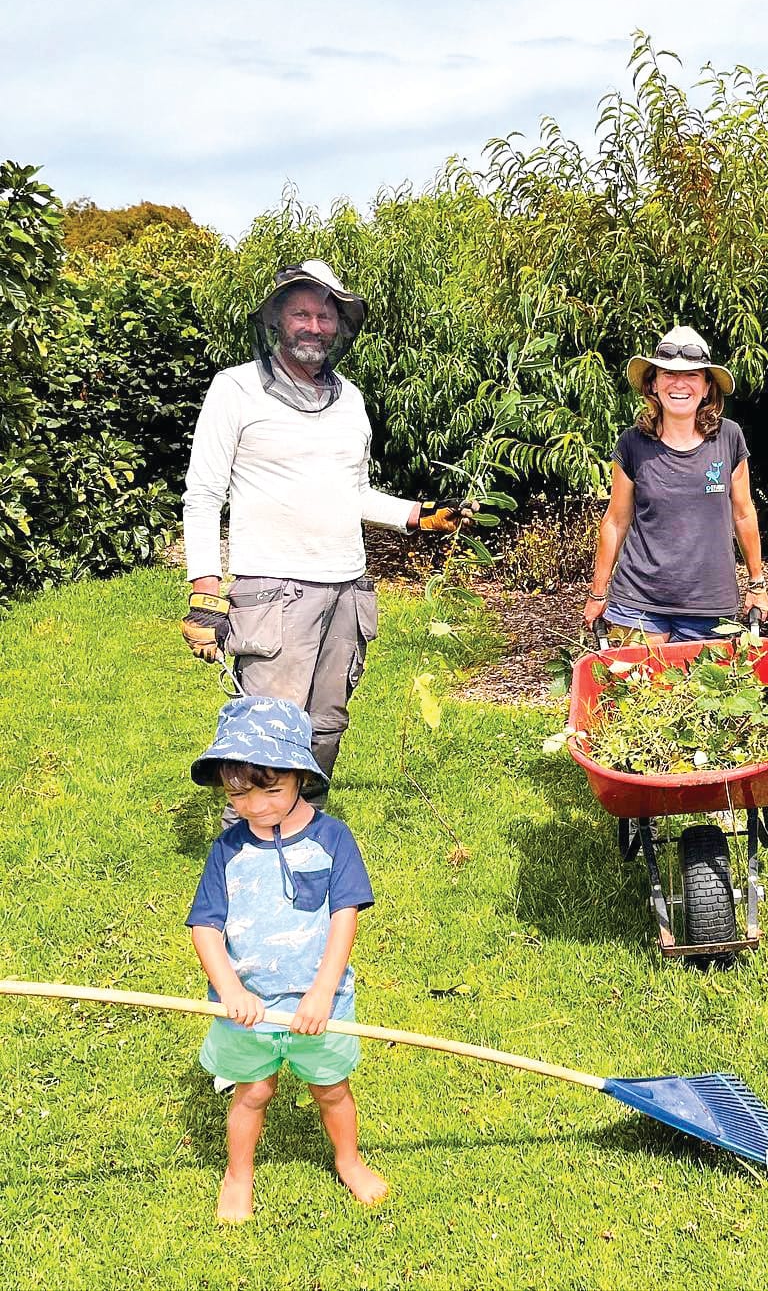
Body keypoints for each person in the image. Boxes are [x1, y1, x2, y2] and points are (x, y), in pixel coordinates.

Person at [180, 260, 469, 804]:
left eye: (325, 315)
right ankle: (249, 854)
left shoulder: (351, 399)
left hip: (347, 588)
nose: (314, 326)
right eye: (301, 314)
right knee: (267, 732)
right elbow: (203, 495)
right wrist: (203, 590)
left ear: (339, 326)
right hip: (274, 592)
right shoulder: (235, 389)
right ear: (277, 321)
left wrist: (417, 514)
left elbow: (352, 492)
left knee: (326, 725)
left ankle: (304, 830)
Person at [187, 695, 386, 1223]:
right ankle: (238, 1175)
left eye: (270, 790)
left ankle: (348, 1159)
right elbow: (205, 927)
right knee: (253, 1092)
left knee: (332, 1090)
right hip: (247, 1007)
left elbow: (345, 915)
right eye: (239, 794)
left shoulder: (332, 839)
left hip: (320, 1004)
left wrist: (322, 991)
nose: (256, 807)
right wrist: (230, 990)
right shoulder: (227, 850)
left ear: (301, 775)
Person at [583, 326, 768, 643]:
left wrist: (757, 584)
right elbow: (615, 520)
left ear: (707, 387)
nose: (679, 384)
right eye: (668, 374)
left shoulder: (729, 438)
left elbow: (743, 513)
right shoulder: (632, 444)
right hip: (639, 600)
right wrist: (598, 592)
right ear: (653, 383)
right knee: (641, 690)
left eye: (693, 375)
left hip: (709, 602)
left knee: (702, 691)